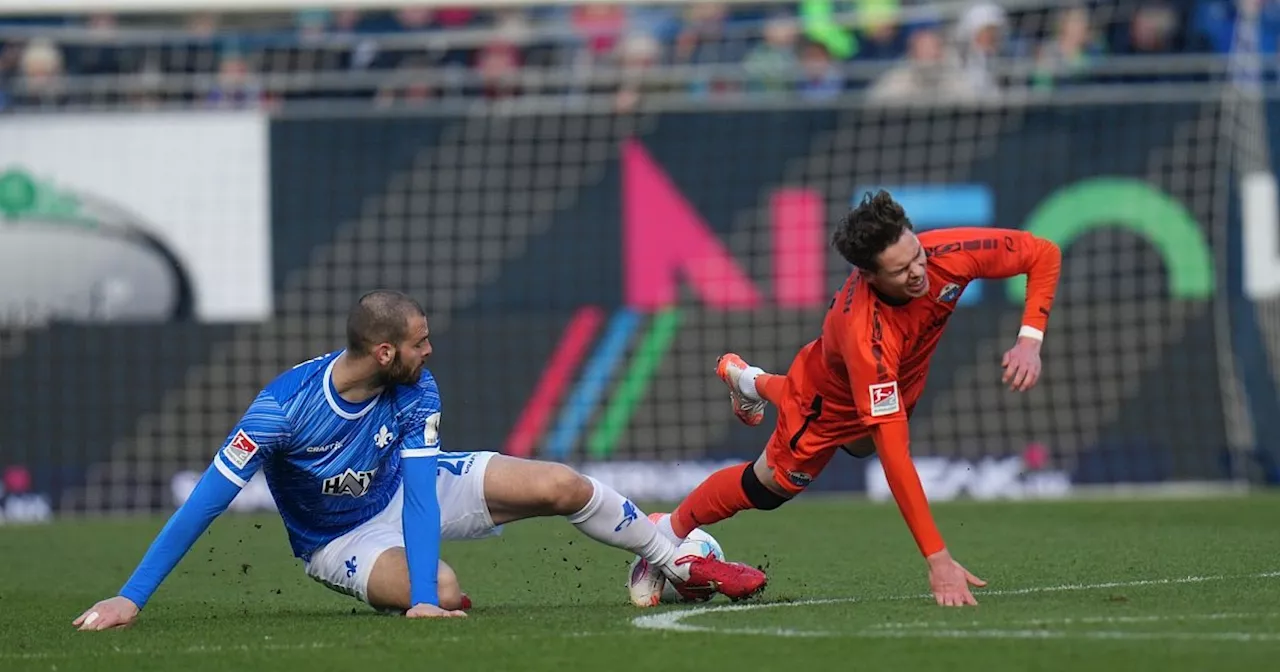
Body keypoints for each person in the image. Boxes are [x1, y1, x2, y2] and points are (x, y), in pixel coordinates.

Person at [74, 290, 767, 630]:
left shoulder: (415, 387)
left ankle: (667, 553)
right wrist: (129, 597)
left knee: (561, 483)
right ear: (384, 352)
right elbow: (206, 501)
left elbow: (419, 486)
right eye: (420, 342)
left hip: (412, 489)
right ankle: (433, 590)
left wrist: (426, 606)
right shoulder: (281, 410)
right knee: (444, 585)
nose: (429, 352)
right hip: (336, 538)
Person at [638, 190, 1062, 608]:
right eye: (901, 270)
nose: (918, 272)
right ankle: (665, 534)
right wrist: (937, 558)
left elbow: (1041, 253)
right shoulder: (867, 337)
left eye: (916, 254)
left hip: (896, 383)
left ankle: (750, 381)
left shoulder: (946, 252)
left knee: (860, 446)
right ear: (869, 276)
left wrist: (1029, 340)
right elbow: (894, 455)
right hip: (825, 404)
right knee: (769, 487)